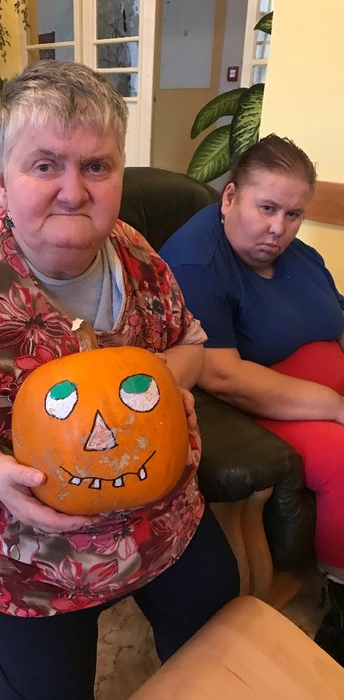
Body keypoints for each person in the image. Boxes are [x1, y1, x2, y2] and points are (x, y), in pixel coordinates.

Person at [0, 60, 239, 700]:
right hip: (21, 546)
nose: (74, 192)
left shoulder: (137, 256)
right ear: (1, 177)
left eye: (96, 166)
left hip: (157, 513)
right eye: (45, 165)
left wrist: (157, 386)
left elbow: (188, 346)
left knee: (218, 621)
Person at [160, 134, 344, 665]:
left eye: (293, 214)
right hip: (266, 400)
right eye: (266, 208)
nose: (278, 229)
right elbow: (224, 377)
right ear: (230, 197)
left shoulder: (299, 255)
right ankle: (341, 604)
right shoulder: (196, 263)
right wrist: (335, 406)